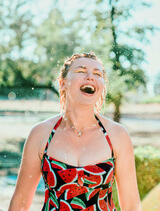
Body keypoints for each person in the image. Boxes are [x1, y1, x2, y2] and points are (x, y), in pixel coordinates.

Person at [9, 52, 142, 211]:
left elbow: (132, 205)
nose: (90, 77)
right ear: (63, 83)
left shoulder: (118, 135)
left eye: (97, 74)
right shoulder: (40, 134)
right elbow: (20, 202)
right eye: (81, 71)